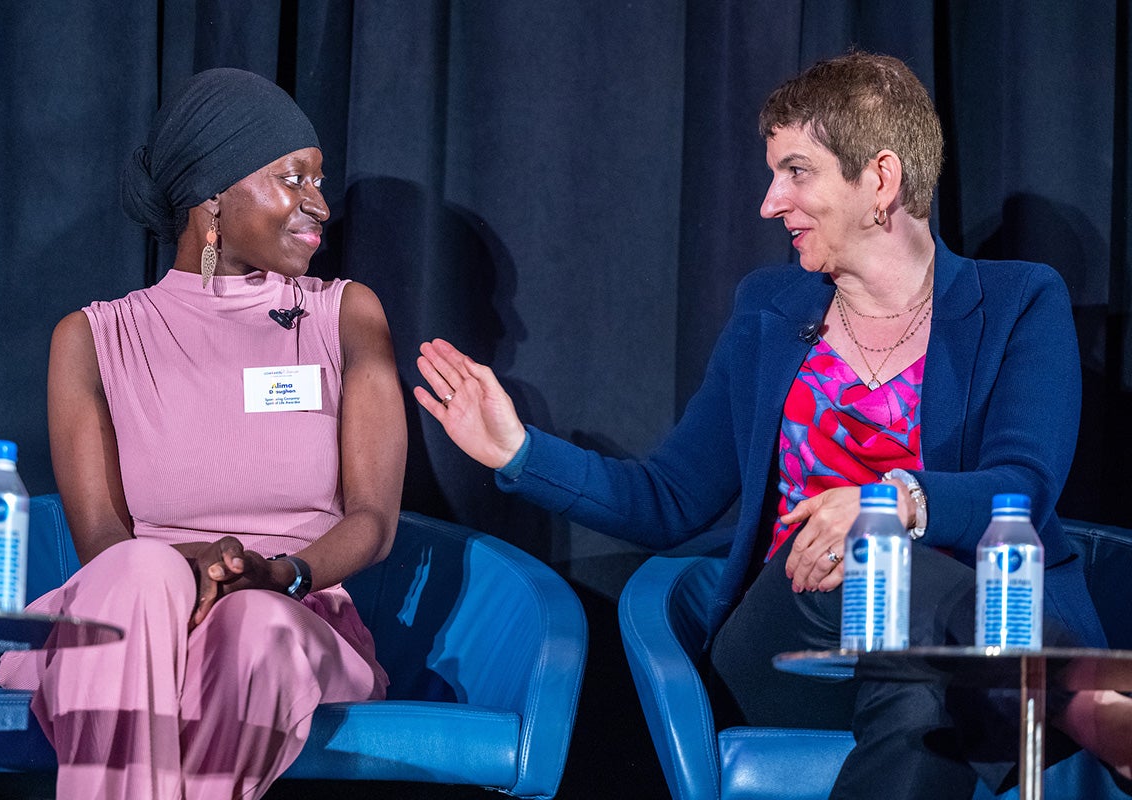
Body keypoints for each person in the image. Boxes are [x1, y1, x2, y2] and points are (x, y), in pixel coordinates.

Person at [413, 52, 1132, 798]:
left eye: (796, 171)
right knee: (862, 560)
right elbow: (670, 498)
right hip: (792, 640)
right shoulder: (770, 309)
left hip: (947, 660)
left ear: (880, 180)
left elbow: (1022, 484)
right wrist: (520, 452)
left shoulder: (1018, 302)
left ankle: (1032, 675)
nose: (769, 202)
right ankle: (1072, 690)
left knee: (919, 688)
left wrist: (896, 505)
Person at [0, 68, 406, 799]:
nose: (319, 204)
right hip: (138, 617)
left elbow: (373, 521)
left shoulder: (345, 316)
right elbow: (101, 541)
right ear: (212, 195)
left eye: (319, 180)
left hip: (291, 614)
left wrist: (280, 572)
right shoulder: (91, 339)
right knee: (139, 570)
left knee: (254, 625)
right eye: (292, 178)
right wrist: (205, 561)